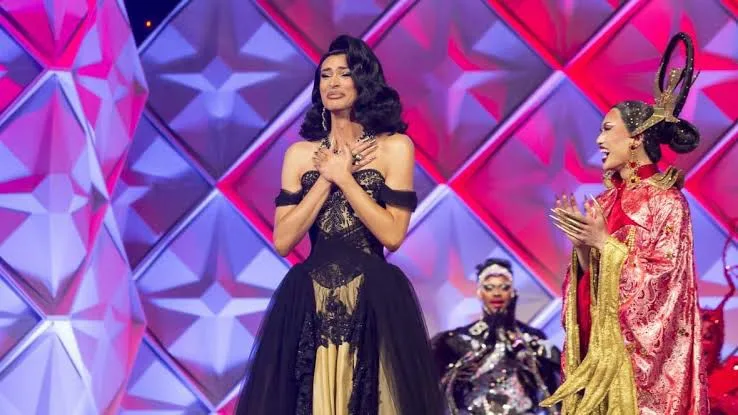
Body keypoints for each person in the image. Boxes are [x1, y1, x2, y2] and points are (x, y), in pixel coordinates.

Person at [235, 35, 444, 415]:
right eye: (325, 75)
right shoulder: (300, 154)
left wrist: (346, 178)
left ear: (363, 82)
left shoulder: (395, 146)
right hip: (309, 298)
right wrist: (327, 177)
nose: (332, 83)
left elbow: (392, 235)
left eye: (344, 74)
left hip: (372, 297)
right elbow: (283, 240)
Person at [543, 32, 708, 414]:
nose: (598, 140)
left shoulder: (667, 202)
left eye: (607, 129)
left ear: (636, 139)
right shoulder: (605, 201)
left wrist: (605, 244)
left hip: (636, 365)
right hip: (597, 347)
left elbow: (664, 284)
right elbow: (594, 283)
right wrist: (583, 249)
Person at [432, 258, 561, 414]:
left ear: (512, 292)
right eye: (489, 288)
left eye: (504, 287)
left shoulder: (531, 338)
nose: (497, 293)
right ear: (479, 292)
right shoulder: (460, 340)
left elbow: (550, 386)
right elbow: (439, 388)